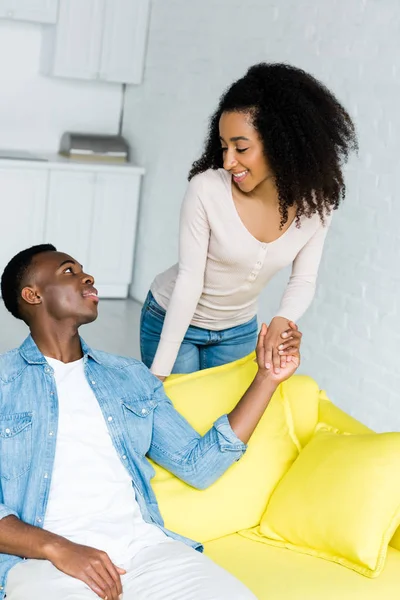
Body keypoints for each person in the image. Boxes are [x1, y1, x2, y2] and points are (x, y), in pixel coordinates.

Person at [0, 244, 302, 600]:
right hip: (44, 564)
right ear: (32, 294)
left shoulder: (129, 376)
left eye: (83, 269)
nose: (87, 276)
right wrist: (58, 548)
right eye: (68, 271)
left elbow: (198, 465)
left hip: (145, 552)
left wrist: (267, 378)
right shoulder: (5, 381)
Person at [140, 62, 357, 381]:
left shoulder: (316, 205)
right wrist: (159, 374)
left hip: (239, 332)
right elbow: (190, 279)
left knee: (227, 425)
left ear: (281, 143)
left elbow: (303, 279)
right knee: (178, 421)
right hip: (173, 321)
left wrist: (285, 317)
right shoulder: (207, 189)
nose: (228, 161)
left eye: (241, 148)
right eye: (224, 147)